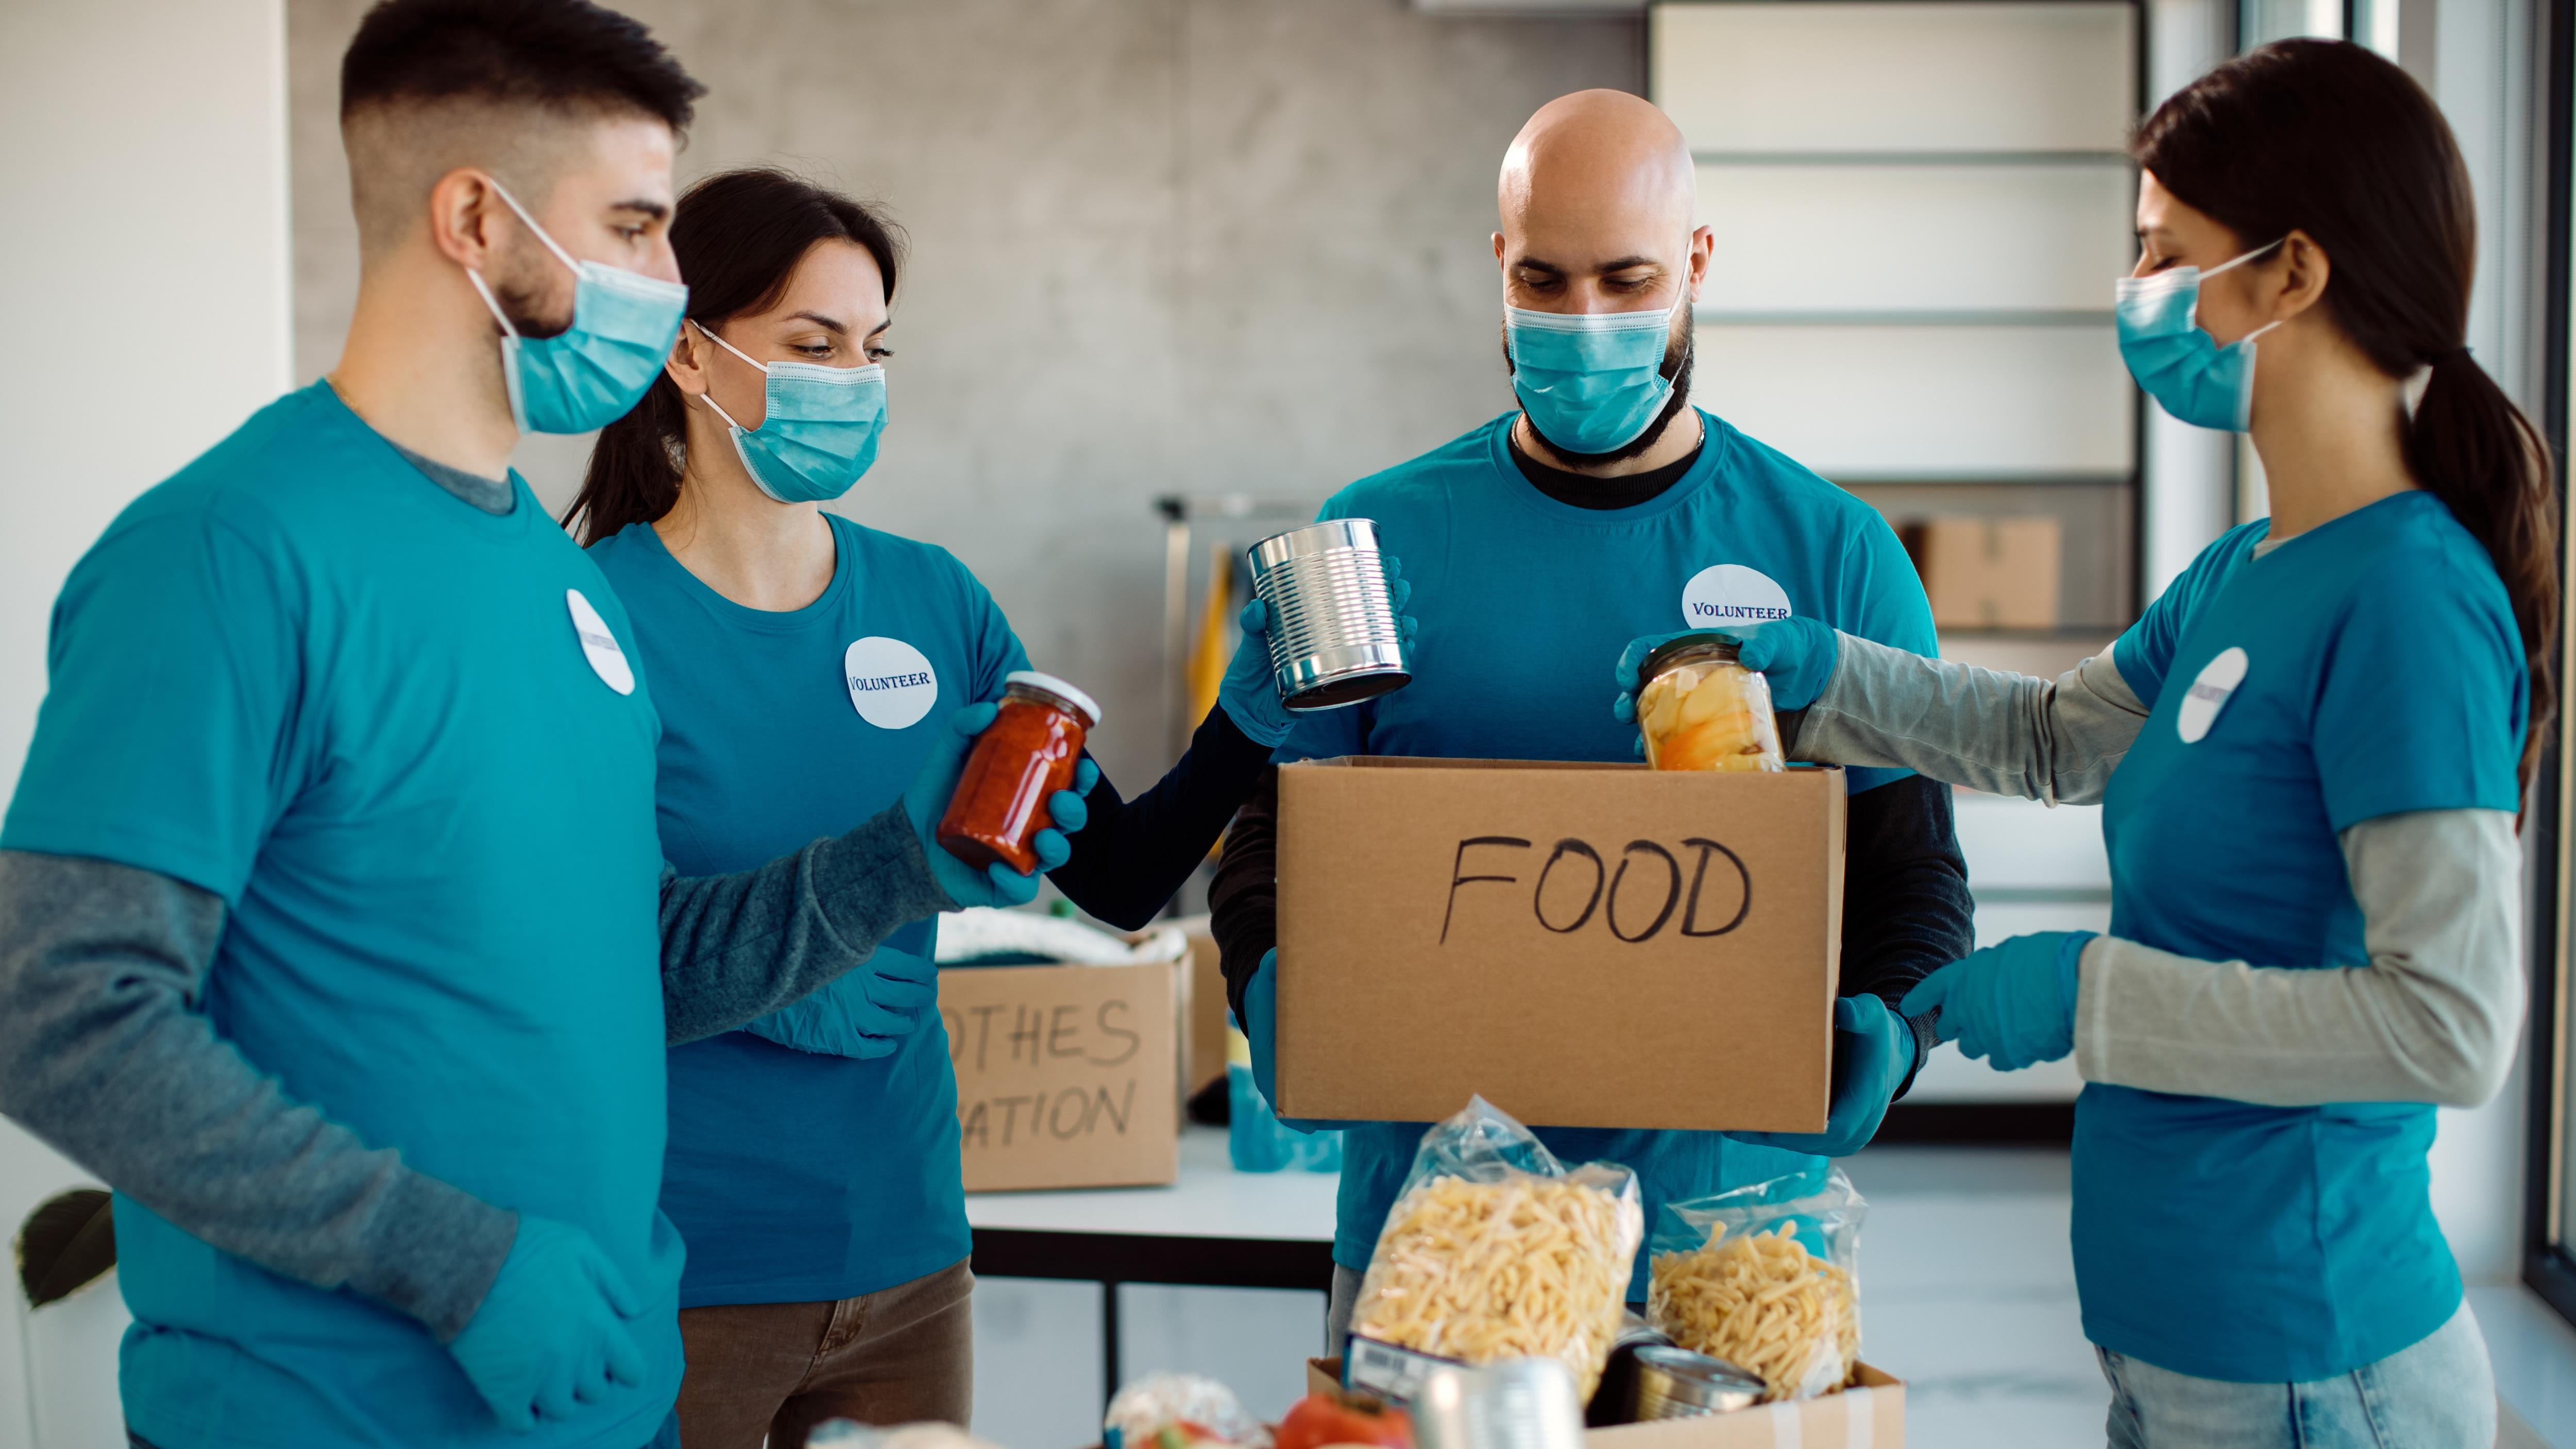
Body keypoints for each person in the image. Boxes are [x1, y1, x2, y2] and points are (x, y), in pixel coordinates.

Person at [0, 5, 1064, 1447]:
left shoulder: (564, 592)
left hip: (600, 1402)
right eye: (632, 227)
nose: (666, 280)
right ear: (474, 220)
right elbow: (57, 1012)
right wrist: (459, 1260)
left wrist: (888, 863)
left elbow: (632, 959)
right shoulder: (230, 553)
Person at [1611, 40, 2546, 1446]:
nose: (2140, 294)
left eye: (2168, 254)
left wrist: (2080, 992)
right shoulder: (2248, 570)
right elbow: (2052, 739)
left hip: (2316, 1363)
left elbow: (2450, 1022)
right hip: (2179, 1352)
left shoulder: (2409, 599)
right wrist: (1818, 679)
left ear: (2294, 274)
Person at [562, 169, 1408, 1448]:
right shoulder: (588, 620)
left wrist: (1248, 718)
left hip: (910, 1266)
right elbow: (568, 962)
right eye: (813, 344)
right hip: (687, 1269)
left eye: (871, 346)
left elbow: (1118, 877)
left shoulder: (932, 602)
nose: (854, 378)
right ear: (692, 352)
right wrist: (787, 966)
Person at [1208, 88, 1973, 1346]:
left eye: (1628, 280)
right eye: (1547, 281)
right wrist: (1265, 975)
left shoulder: (1839, 556)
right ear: (1498, 266)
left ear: (1697, 265)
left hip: (1727, 1254)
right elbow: (1269, 838)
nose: (1585, 321)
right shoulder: (1357, 542)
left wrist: (1892, 1022)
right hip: (1436, 1245)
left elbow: (1913, 873)